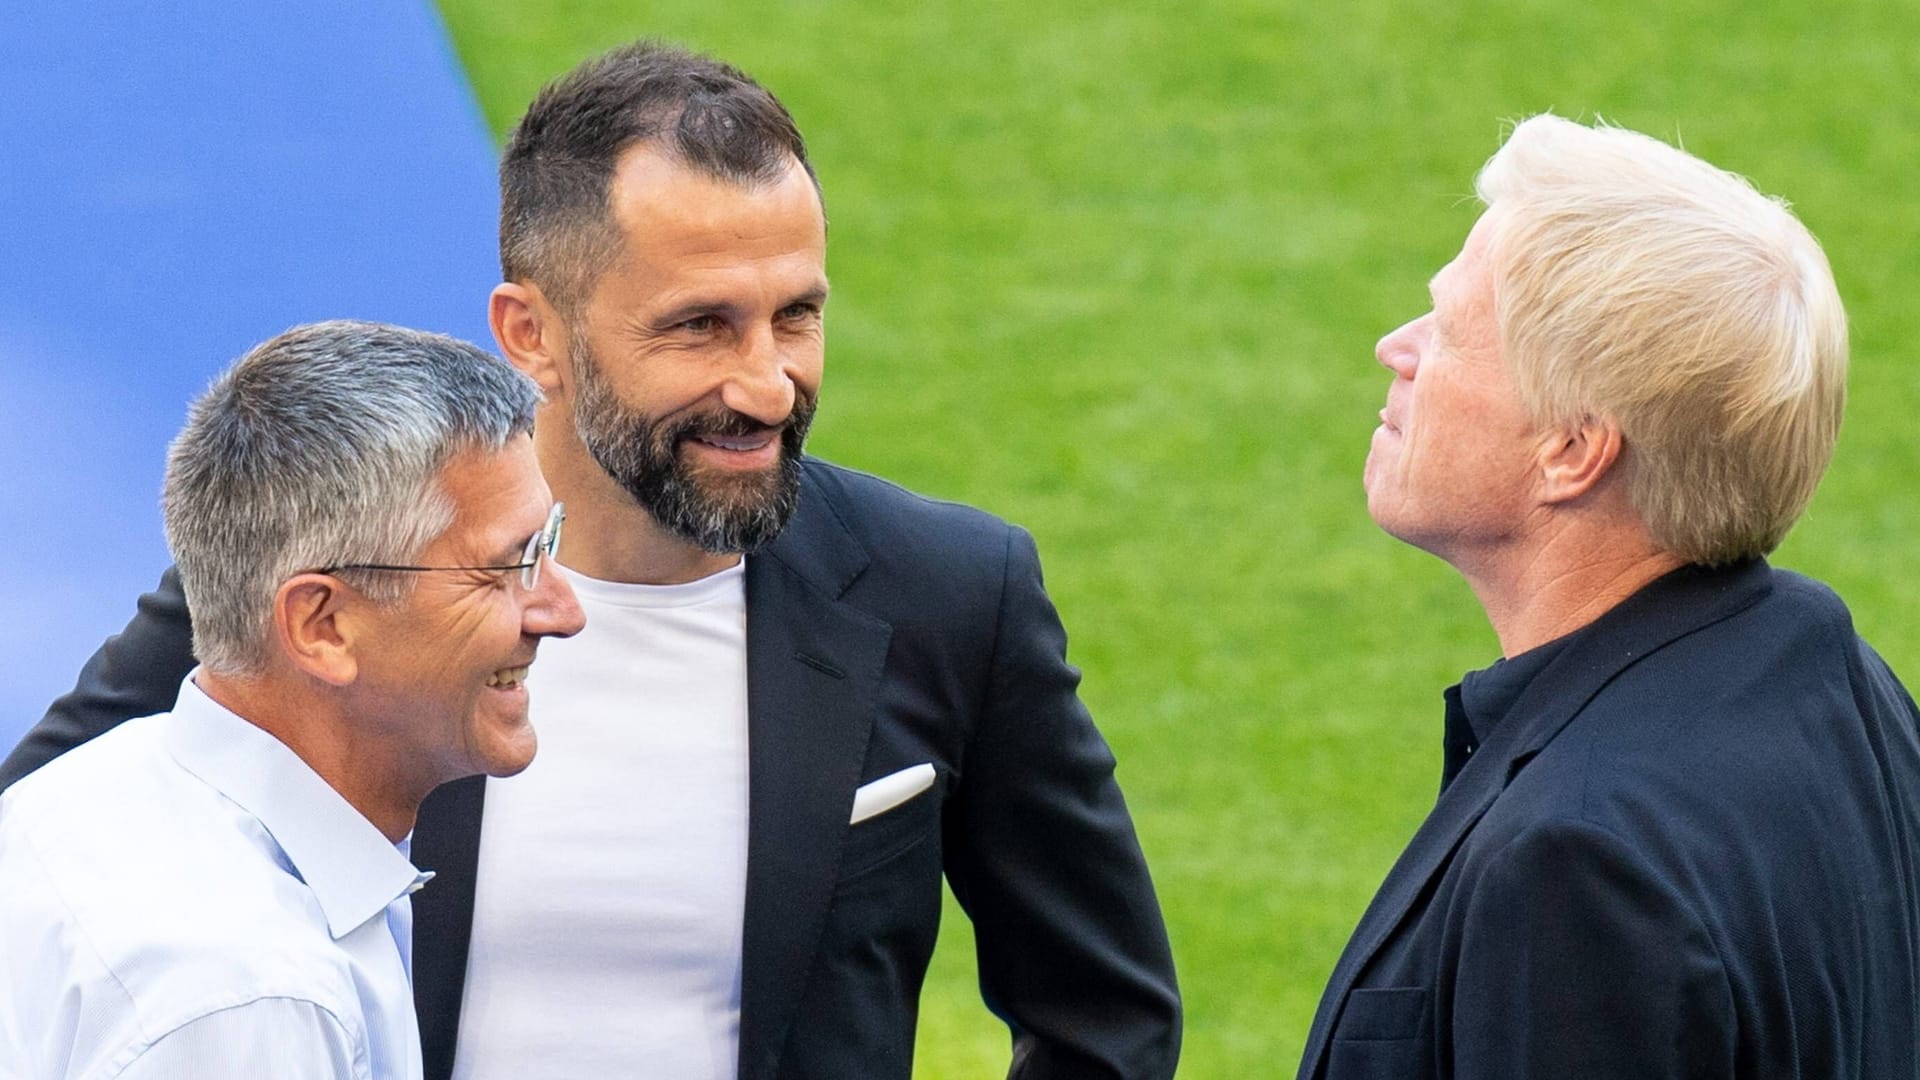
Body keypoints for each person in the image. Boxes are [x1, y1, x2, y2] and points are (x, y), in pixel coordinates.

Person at [0, 42, 1181, 1080]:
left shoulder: (951, 594)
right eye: (699, 325)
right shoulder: (343, 571)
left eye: (798, 315)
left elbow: (1105, 1020)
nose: (769, 383)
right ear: (533, 335)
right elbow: (42, 850)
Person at [1296, 114, 1920, 1080]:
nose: (1395, 348)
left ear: (1573, 450)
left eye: (1451, 333)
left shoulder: (1576, 864)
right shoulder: (1845, 685)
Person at [0, 321, 585, 1077]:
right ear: (323, 626)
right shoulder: (247, 995)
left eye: (549, 543)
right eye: (508, 565)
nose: (563, 611)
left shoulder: (89, 798)